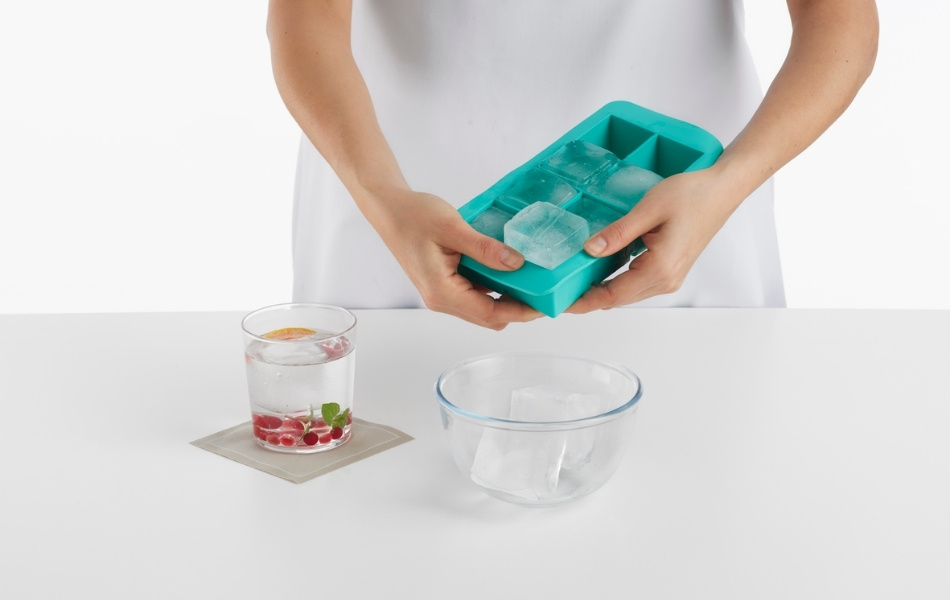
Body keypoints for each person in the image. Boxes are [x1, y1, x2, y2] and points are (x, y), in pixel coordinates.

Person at [267, 0, 878, 330]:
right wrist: (380, 195)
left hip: (688, 214)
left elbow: (839, 14)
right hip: (391, 211)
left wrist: (730, 180)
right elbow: (305, 13)